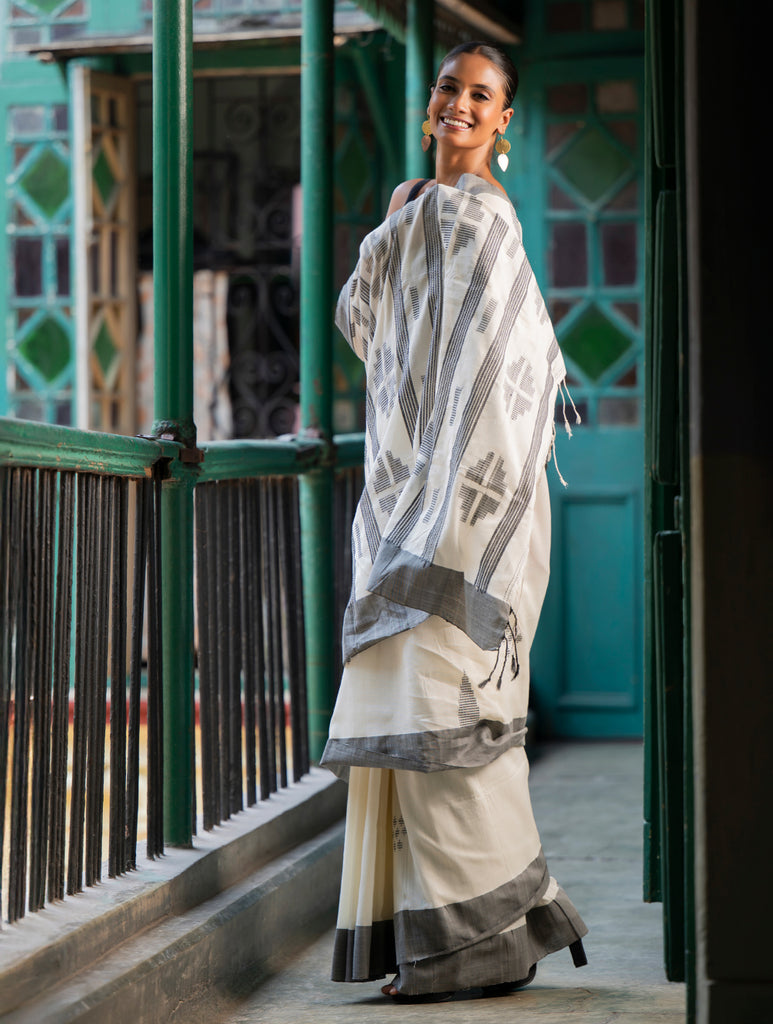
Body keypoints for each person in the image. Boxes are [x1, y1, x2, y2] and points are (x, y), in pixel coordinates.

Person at [320, 41, 588, 1003]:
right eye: (449, 87)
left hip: (463, 506)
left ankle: (477, 947)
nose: (460, 104)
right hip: (399, 491)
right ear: (429, 101)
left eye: (482, 95)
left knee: (448, 715)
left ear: (502, 120)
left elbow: (509, 369)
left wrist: (449, 501)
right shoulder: (407, 204)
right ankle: (449, 939)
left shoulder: (487, 217)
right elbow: (381, 337)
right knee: (405, 720)